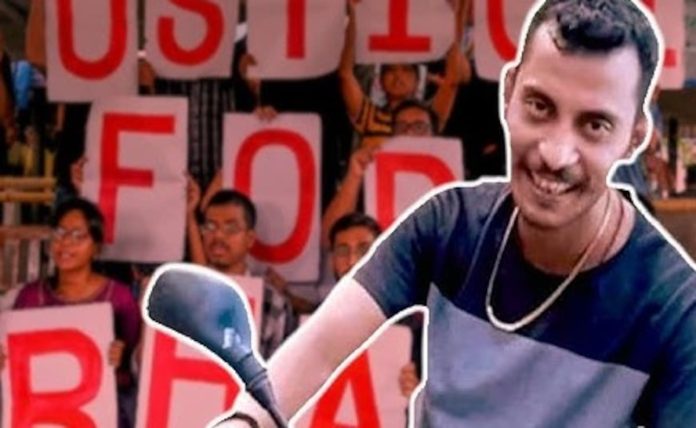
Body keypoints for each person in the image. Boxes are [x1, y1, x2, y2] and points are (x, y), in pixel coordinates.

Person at [222, 0, 696, 426]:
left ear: (635, 138)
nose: (555, 153)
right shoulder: (449, 223)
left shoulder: (674, 306)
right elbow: (322, 346)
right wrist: (244, 421)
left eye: (594, 125)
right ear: (508, 93)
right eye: (539, 106)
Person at [0, 198, 141, 428]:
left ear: (96, 247)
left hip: (102, 415)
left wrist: (121, 357)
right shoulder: (30, 296)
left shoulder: (120, 297)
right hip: (43, 413)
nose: (65, 243)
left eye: (78, 236)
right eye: (59, 233)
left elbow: (137, 364)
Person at [186, 184, 295, 359]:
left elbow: (281, 368)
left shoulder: (273, 302)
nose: (218, 236)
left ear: (250, 239)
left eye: (230, 229)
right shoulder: (182, 297)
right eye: (210, 227)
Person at [339, 0, 466, 149]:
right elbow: (345, 73)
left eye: (406, 70)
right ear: (380, 81)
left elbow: (452, 80)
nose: (398, 76)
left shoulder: (428, 116)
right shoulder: (368, 117)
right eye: (390, 70)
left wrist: (454, 19)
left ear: (417, 80)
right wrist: (354, 16)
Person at [320, 99, 439, 248]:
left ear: (435, 136)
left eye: (419, 127)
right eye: (401, 127)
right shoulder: (371, 180)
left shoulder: (456, 183)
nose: (409, 132)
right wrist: (354, 175)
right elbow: (328, 239)